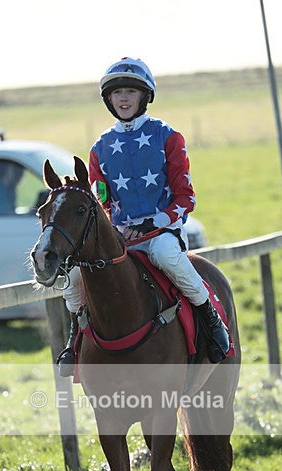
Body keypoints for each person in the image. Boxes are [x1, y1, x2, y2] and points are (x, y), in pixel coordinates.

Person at [58, 56, 229, 375]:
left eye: (130, 92)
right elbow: (104, 202)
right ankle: (75, 336)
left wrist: (157, 222)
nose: (123, 98)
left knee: (168, 256)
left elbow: (186, 197)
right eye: (117, 93)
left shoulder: (168, 137)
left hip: (162, 233)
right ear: (108, 100)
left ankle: (210, 318)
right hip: (121, 238)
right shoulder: (99, 148)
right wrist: (114, 229)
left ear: (145, 96)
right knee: (77, 274)